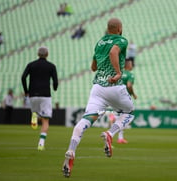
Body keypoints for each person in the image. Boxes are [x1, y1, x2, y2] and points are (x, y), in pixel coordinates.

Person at [62, 18, 135, 178]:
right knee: (129, 112)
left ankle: (71, 150)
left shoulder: (99, 42)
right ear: (119, 29)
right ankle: (110, 133)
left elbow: (93, 67)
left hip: (97, 88)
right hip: (114, 86)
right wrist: (117, 72)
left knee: (86, 119)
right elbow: (113, 52)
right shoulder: (122, 40)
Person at [21, 46, 58, 151]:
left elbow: (23, 77)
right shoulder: (51, 66)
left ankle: (34, 114)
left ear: (38, 54)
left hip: (33, 94)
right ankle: (41, 143)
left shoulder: (31, 65)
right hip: (45, 95)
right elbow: (55, 81)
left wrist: (26, 91)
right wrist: (55, 88)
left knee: (35, 111)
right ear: (47, 54)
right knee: (45, 121)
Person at [107, 59, 137, 144]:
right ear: (128, 65)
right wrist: (133, 94)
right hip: (124, 98)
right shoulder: (130, 74)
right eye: (131, 64)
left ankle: (120, 138)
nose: (132, 65)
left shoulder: (119, 73)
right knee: (127, 115)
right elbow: (129, 85)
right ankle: (113, 118)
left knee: (121, 117)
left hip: (114, 96)